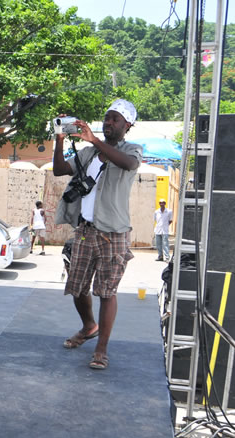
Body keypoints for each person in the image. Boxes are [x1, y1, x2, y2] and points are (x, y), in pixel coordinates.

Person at [53, 99, 142, 371]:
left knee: (106, 291)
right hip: (85, 230)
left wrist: (93, 139)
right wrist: (58, 137)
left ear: (127, 125)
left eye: (115, 119)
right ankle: (88, 326)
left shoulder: (131, 150)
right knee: (77, 286)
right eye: (107, 118)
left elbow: (127, 164)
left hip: (113, 232)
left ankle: (101, 349)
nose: (108, 123)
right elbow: (59, 170)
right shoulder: (89, 153)